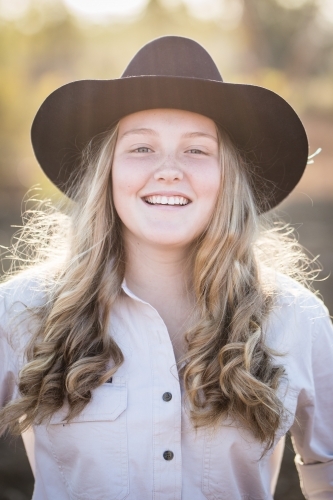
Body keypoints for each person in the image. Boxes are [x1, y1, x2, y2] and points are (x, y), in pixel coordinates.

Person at [0, 36, 332, 500]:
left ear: (227, 178)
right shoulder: (20, 309)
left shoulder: (297, 317)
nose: (170, 170)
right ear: (108, 172)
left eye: (197, 150)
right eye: (141, 149)